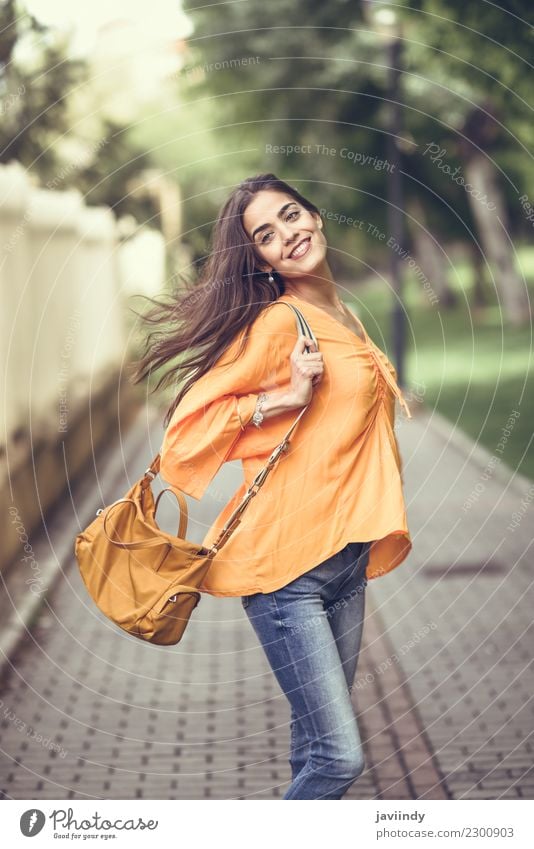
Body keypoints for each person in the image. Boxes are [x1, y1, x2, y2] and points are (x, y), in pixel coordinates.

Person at [130, 173, 412, 800]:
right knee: (338, 760)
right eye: (266, 234)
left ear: (318, 216)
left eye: (291, 215)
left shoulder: (340, 312)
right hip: (289, 578)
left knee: (312, 751)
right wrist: (282, 398)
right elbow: (184, 431)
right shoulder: (278, 324)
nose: (288, 234)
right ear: (258, 258)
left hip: (343, 561)